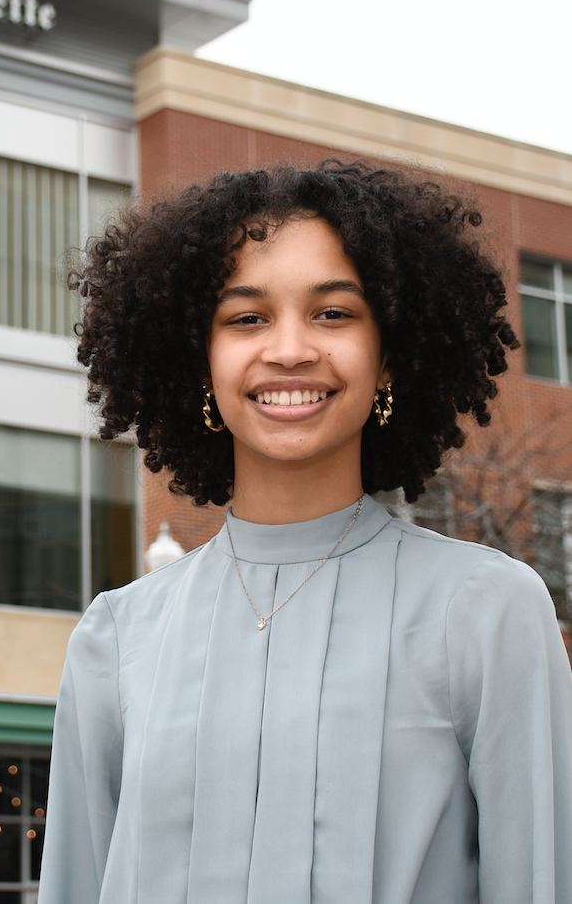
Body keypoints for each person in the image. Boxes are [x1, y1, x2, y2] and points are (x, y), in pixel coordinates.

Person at [37, 161, 572, 904]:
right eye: (246, 317)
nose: (288, 349)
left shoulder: (484, 611)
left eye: (332, 313)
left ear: (387, 359)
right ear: (202, 361)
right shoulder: (116, 638)